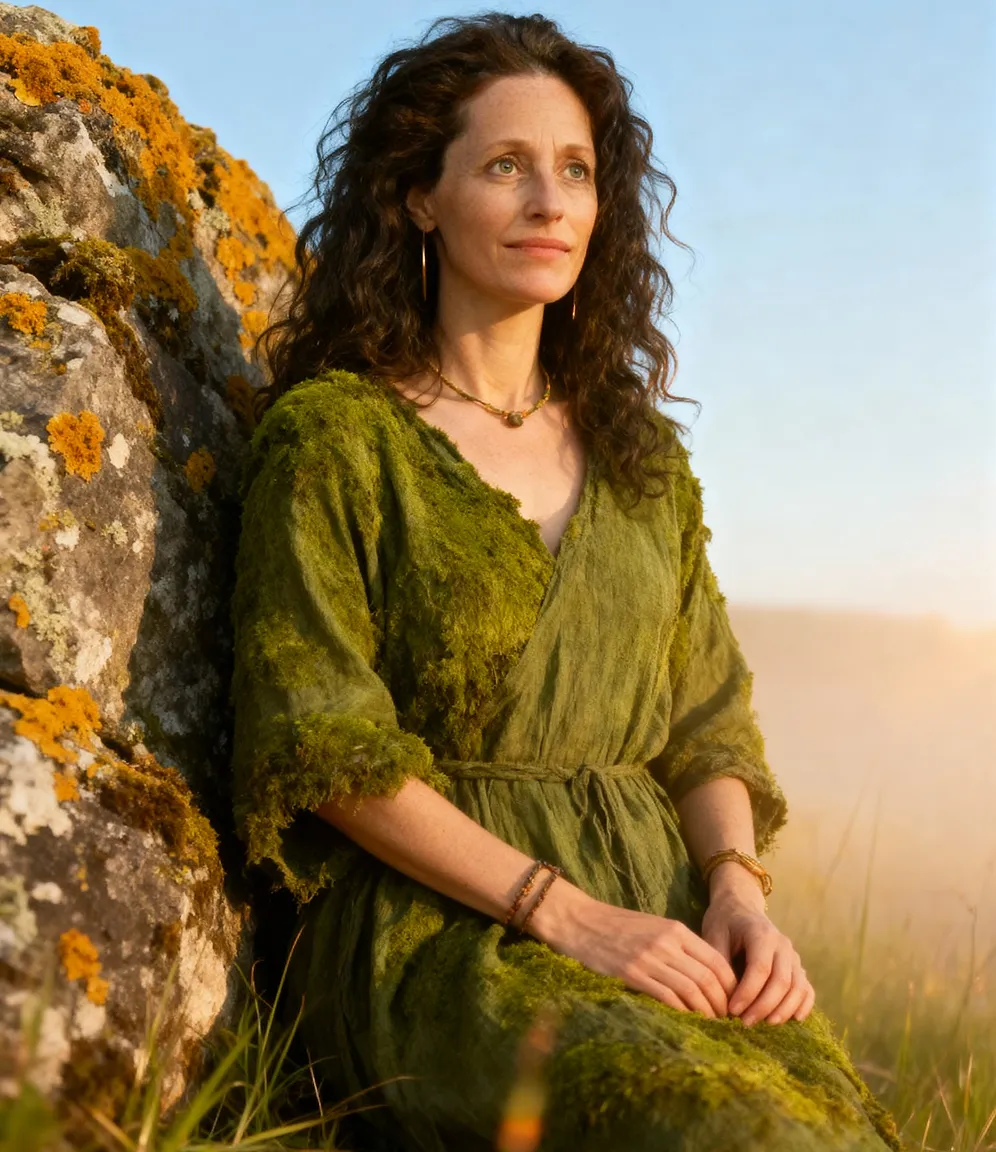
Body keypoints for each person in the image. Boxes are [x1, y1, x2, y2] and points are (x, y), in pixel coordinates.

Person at [229, 13, 904, 1151]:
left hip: (662, 913)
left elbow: (707, 726)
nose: (551, 203)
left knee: (832, 1125)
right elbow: (323, 751)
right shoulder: (337, 440)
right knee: (716, 1126)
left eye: (576, 171)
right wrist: (569, 916)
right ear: (416, 197)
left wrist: (737, 895)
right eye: (506, 166)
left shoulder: (642, 464)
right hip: (436, 933)